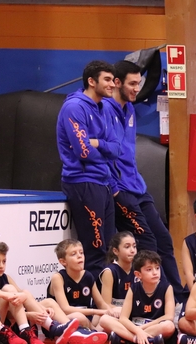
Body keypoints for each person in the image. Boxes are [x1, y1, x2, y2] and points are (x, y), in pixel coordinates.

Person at [105, 60, 186, 303]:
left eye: (138, 83)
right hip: (120, 190)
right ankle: (157, 298)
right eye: (132, 84)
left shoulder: (129, 109)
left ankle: (178, 298)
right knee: (147, 242)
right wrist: (114, 189)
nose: (136, 89)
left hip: (138, 187)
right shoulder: (104, 110)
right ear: (117, 83)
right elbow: (100, 154)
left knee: (164, 240)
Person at [56, 60, 119, 279]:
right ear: (92, 81)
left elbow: (117, 148)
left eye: (113, 80)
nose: (113, 84)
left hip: (102, 182)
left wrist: (98, 143)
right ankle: (94, 298)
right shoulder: (74, 107)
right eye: (107, 80)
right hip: (82, 181)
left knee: (109, 248)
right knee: (95, 249)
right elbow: (83, 151)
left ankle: (107, 296)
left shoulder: (104, 107)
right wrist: (103, 153)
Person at [0, 239, 80, 344]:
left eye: (4, 261)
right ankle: (54, 328)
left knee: (48, 302)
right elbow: (8, 312)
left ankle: (71, 333)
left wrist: (41, 308)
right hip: (0, 326)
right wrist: (29, 315)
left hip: (15, 321)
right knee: (11, 290)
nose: (1, 265)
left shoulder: (5, 277)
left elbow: (22, 301)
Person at [101, 250, 175, 344]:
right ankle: (140, 340)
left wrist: (140, 329)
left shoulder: (167, 287)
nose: (155, 272)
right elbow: (123, 318)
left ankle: (126, 339)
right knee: (104, 319)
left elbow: (169, 316)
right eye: (149, 269)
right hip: (134, 326)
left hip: (152, 327)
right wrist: (137, 331)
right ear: (138, 274)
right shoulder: (133, 288)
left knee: (169, 326)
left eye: (157, 268)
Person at [47, 239, 110, 344]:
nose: (80, 256)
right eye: (74, 254)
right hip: (65, 319)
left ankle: (91, 332)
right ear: (63, 262)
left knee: (110, 315)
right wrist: (95, 311)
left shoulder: (88, 275)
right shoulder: (58, 277)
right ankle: (92, 332)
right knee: (78, 317)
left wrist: (110, 312)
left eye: (81, 253)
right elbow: (65, 309)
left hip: (87, 318)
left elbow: (101, 304)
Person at [97, 231, 137, 316]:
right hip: (111, 313)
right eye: (127, 247)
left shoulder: (138, 269)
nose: (132, 250)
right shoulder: (109, 272)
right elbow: (106, 305)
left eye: (134, 246)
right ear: (115, 251)